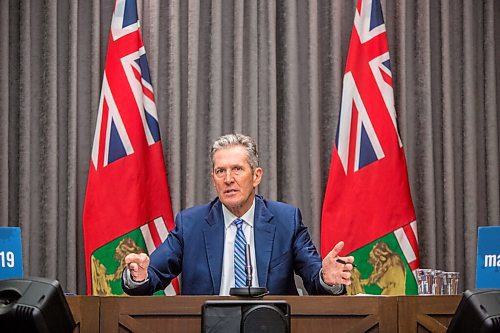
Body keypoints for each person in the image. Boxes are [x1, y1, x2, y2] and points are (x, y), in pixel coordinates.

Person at [123, 133, 354, 295]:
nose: (228, 179)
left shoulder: (286, 220)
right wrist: (139, 276)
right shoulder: (190, 224)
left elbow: (314, 276)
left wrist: (327, 278)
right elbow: (153, 276)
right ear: (213, 179)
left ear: (256, 176)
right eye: (220, 171)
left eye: (237, 169)